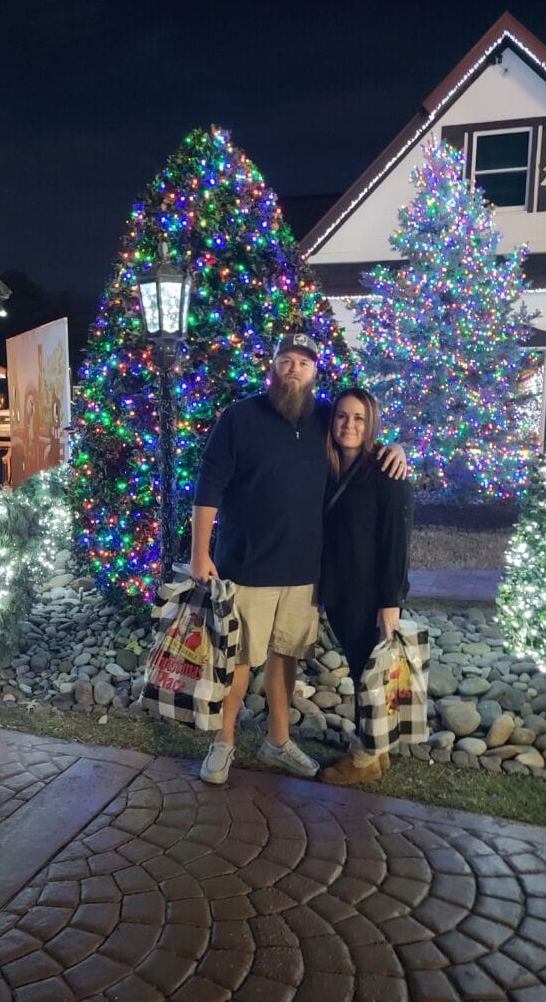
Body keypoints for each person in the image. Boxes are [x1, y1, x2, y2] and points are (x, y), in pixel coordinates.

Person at [191, 333, 407, 785]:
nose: (294, 369)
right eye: (286, 360)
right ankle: (223, 744)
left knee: (284, 658)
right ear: (272, 366)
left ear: (315, 372)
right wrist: (199, 553)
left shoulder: (325, 418)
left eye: (303, 364)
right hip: (246, 567)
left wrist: (397, 449)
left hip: (304, 574)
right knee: (238, 662)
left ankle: (278, 742)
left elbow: (362, 432)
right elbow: (208, 485)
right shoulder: (240, 417)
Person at [318, 387, 413, 786]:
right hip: (340, 590)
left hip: (371, 593)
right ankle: (377, 750)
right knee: (366, 670)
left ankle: (365, 758)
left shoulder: (387, 472)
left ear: (370, 422)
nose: (349, 425)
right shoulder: (328, 466)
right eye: (342, 416)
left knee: (368, 672)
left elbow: (397, 540)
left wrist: (390, 600)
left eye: (358, 417)